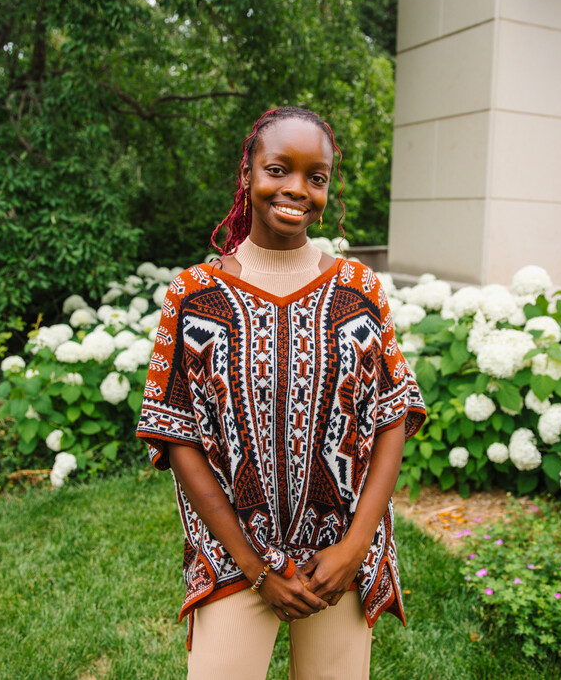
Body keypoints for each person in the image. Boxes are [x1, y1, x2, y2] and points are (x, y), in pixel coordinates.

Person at [135, 106, 426, 679]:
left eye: (315, 177)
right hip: (233, 556)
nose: (297, 189)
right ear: (247, 173)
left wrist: (352, 548)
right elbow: (176, 436)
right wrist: (256, 569)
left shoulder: (357, 289)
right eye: (278, 169)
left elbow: (393, 415)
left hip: (336, 556)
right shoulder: (196, 293)